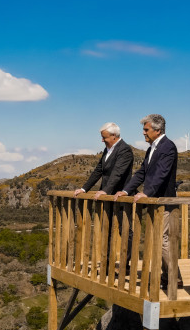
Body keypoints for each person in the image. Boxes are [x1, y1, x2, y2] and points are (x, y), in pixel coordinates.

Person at [114, 114, 180, 287]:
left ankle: (174, 277)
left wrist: (147, 193)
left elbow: (162, 174)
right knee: (159, 239)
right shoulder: (152, 149)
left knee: (162, 239)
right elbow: (142, 173)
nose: (143, 132)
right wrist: (126, 190)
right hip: (154, 201)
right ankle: (170, 276)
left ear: (157, 130)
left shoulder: (168, 147)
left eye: (146, 129)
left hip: (164, 201)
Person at [73, 122, 134, 199]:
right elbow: (98, 170)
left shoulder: (124, 150)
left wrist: (106, 190)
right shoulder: (107, 149)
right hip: (108, 196)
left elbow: (117, 173)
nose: (102, 140)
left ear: (113, 136)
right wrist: (84, 189)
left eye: (104, 137)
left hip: (120, 198)